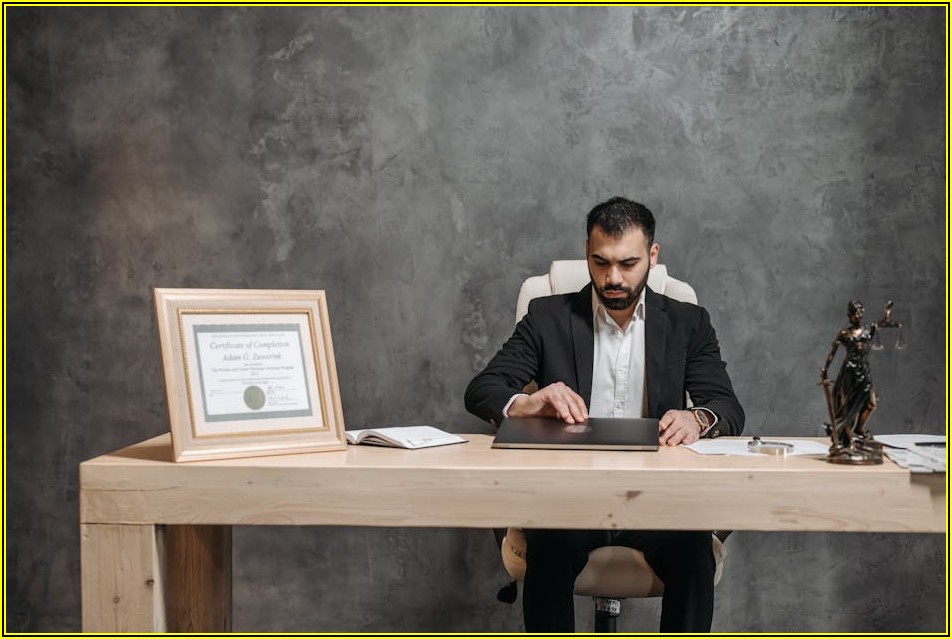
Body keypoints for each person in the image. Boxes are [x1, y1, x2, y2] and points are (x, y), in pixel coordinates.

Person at [464, 196, 745, 633]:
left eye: (628, 263)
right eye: (600, 262)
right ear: (587, 254)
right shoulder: (547, 317)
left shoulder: (689, 322)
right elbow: (482, 390)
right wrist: (527, 402)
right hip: (570, 497)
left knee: (692, 552)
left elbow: (727, 407)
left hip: (655, 499)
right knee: (550, 549)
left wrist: (698, 418)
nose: (613, 278)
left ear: (653, 256)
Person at [819, 300, 899, 463]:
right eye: (856, 312)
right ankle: (848, 442)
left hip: (864, 372)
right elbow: (832, 352)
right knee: (848, 409)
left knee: (871, 403)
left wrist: (888, 313)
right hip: (849, 374)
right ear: (849, 316)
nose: (859, 315)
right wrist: (825, 369)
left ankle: (859, 429)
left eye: (861, 312)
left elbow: (883, 323)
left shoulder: (868, 330)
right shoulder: (844, 334)